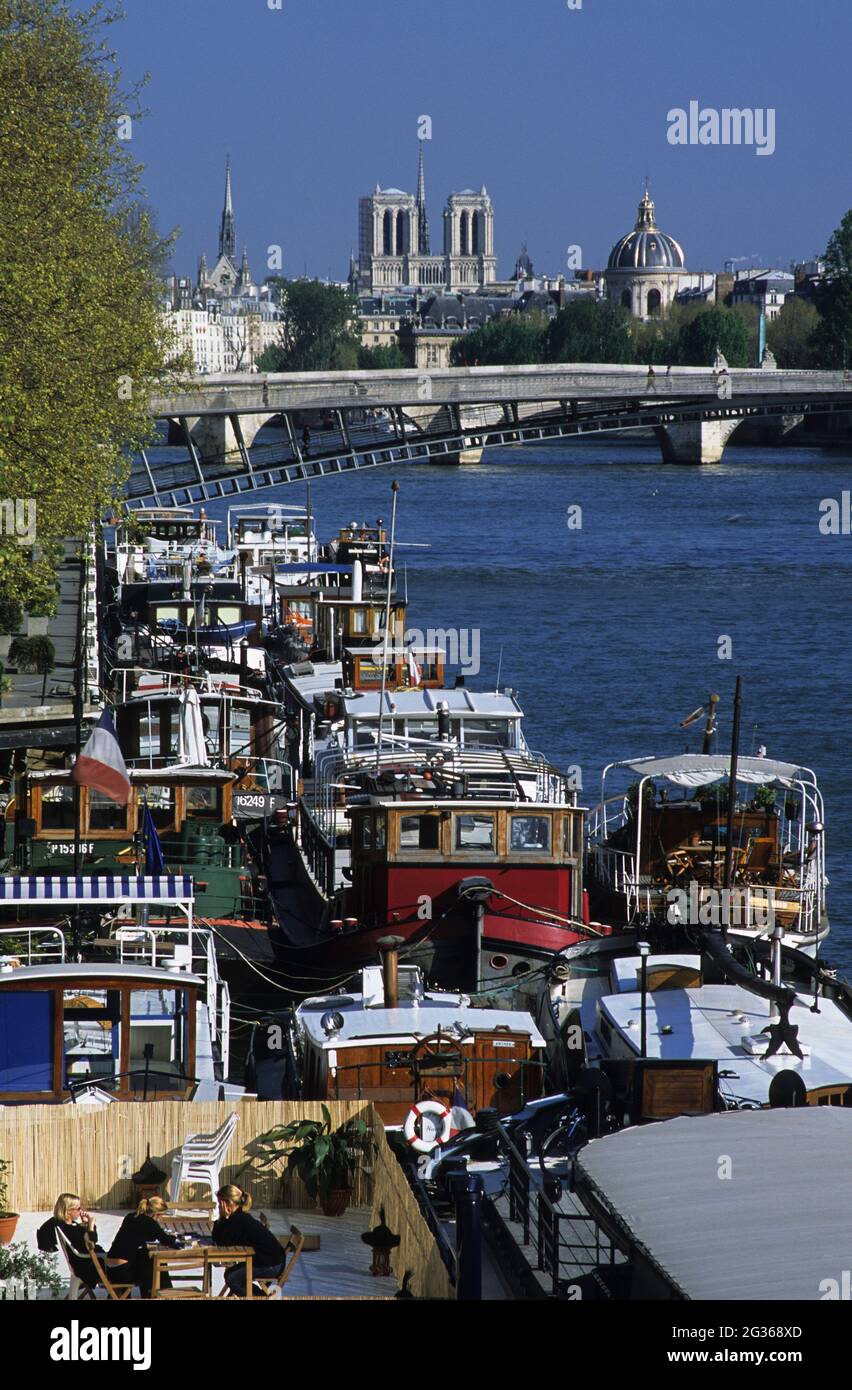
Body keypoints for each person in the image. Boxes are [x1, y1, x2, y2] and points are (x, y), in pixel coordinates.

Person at [212, 1185, 285, 1297]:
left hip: (271, 1264)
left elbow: (222, 1243)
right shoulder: (237, 1217)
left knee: (232, 1278)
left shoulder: (238, 1221)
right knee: (231, 1275)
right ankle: (262, 1297)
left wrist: (222, 1218)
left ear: (227, 1204)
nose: (218, 1207)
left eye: (219, 1204)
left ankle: (261, 1298)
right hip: (270, 1260)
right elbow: (218, 1239)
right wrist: (223, 1219)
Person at [106, 1195, 182, 1299]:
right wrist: (173, 1237)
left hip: (110, 1269)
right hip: (123, 1272)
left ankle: (151, 1295)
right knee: (155, 1263)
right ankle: (160, 1295)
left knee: (146, 1257)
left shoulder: (130, 1216)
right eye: (161, 1215)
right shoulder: (149, 1222)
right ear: (156, 1214)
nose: (160, 1219)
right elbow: (166, 1240)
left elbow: (138, 1235)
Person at [37, 1193, 104, 1291]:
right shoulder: (69, 1229)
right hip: (88, 1266)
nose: (80, 1211)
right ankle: (118, 1293)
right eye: (78, 1208)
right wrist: (90, 1225)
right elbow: (91, 1244)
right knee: (120, 1267)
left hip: (84, 1262)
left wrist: (85, 1224)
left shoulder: (69, 1225)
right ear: (68, 1211)